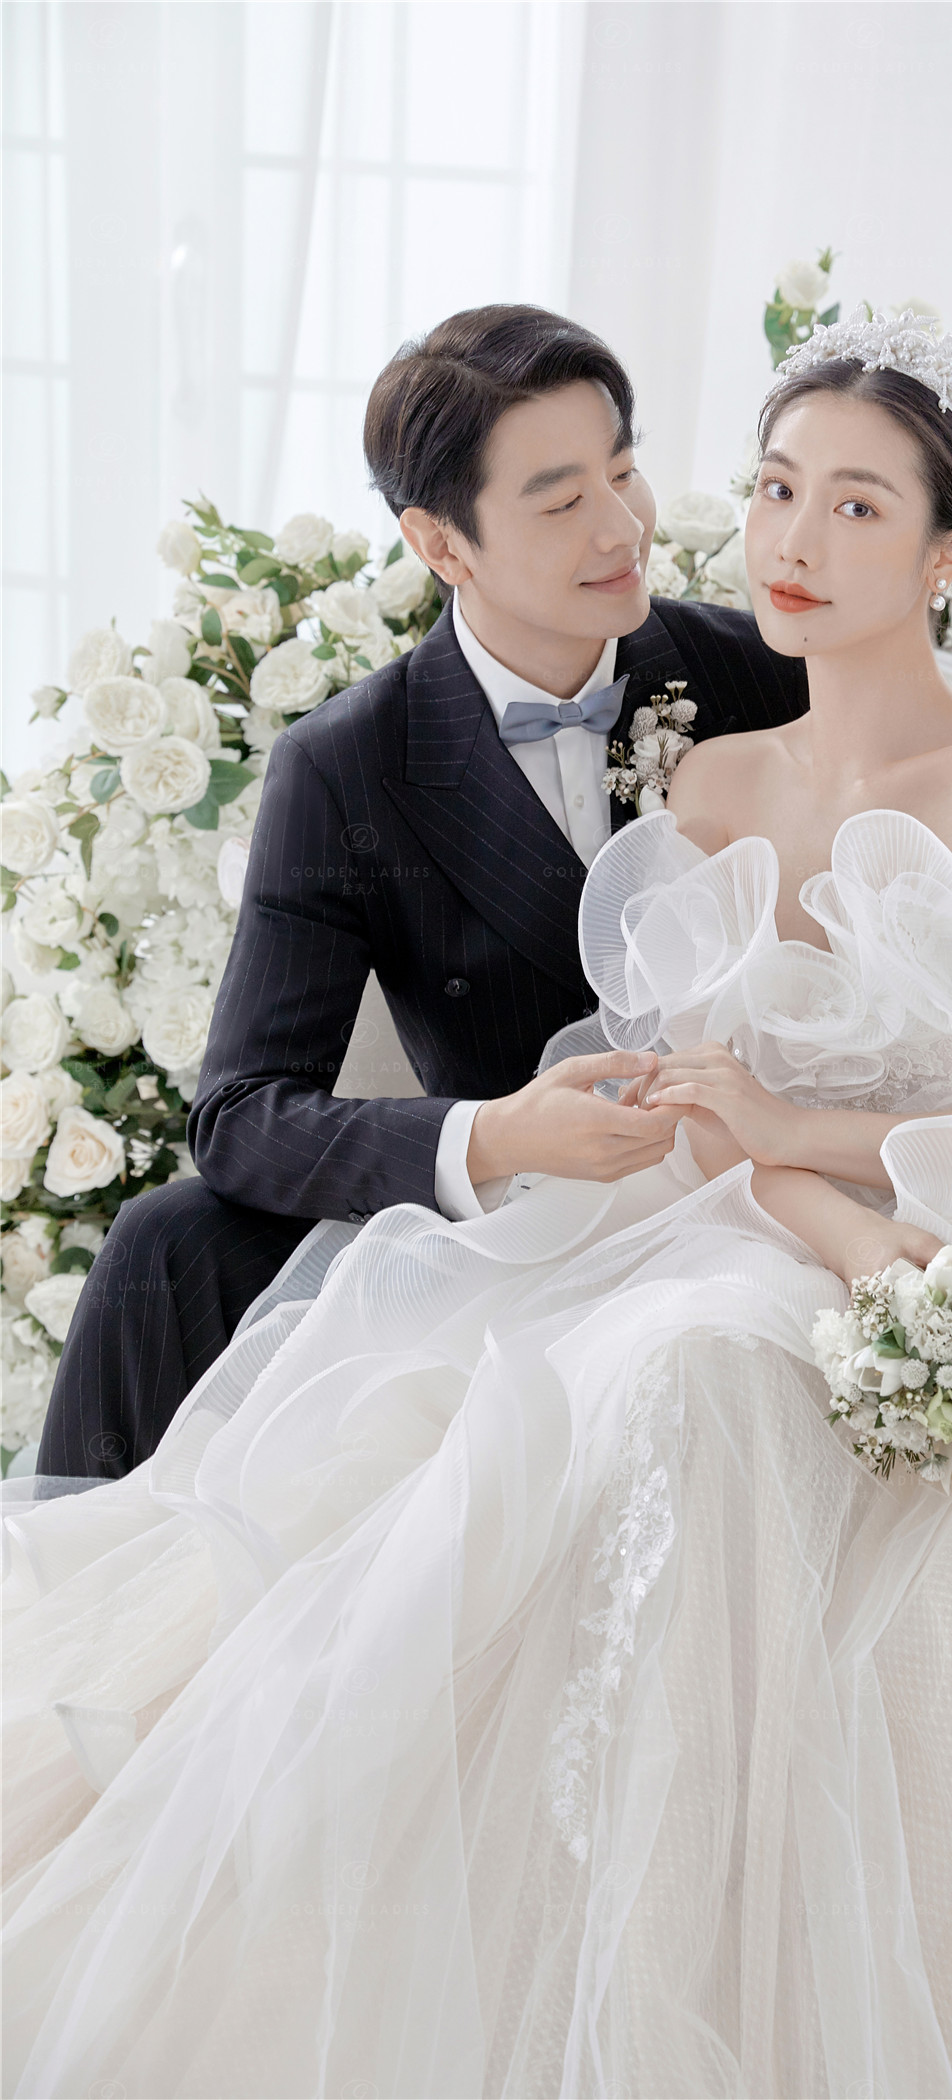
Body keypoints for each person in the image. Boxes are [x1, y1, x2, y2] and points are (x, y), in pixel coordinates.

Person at [2, 314, 952, 2099]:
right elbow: (597, 1106)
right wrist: (670, 1174)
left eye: (637, 475)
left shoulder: (865, 718)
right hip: (707, 1219)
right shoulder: (622, 776)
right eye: (775, 490)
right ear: (442, 543)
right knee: (504, 1381)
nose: (717, 534)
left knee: (674, 1378)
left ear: (950, 548)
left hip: (947, 1230)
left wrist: (829, 1177)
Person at [35, 304, 808, 1483]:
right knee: (164, 1241)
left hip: (753, 1195)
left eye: (623, 471)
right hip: (511, 1218)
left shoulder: (757, 673)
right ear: (441, 543)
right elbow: (239, 1113)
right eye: (561, 502)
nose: (621, 527)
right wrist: (490, 1137)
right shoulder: (346, 763)